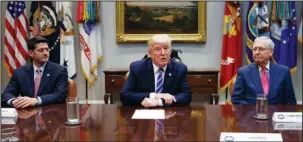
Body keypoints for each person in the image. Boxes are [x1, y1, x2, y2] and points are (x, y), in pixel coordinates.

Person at [120, 34, 191, 107]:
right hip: (144, 112)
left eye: (166, 48)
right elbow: (125, 96)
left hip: (170, 113)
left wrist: (160, 102)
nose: (163, 53)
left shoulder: (179, 68)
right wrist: (154, 95)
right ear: (150, 53)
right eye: (158, 49)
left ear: (170, 51)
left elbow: (186, 96)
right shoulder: (137, 68)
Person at [1, 36, 68, 108]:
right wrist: (14, 101)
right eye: (41, 50)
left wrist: (37, 100)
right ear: (31, 53)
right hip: (26, 114)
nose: (46, 53)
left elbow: (60, 95)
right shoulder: (20, 72)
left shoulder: (60, 70)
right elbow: (7, 94)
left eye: (47, 49)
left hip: (50, 114)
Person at [232, 36, 296, 104]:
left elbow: (290, 102)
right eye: (254, 49)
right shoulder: (243, 72)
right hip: (252, 114)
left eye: (261, 49)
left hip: (276, 113)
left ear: (271, 52)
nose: (257, 52)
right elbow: (236, 99)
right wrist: (251, 111)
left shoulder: (283, 71)